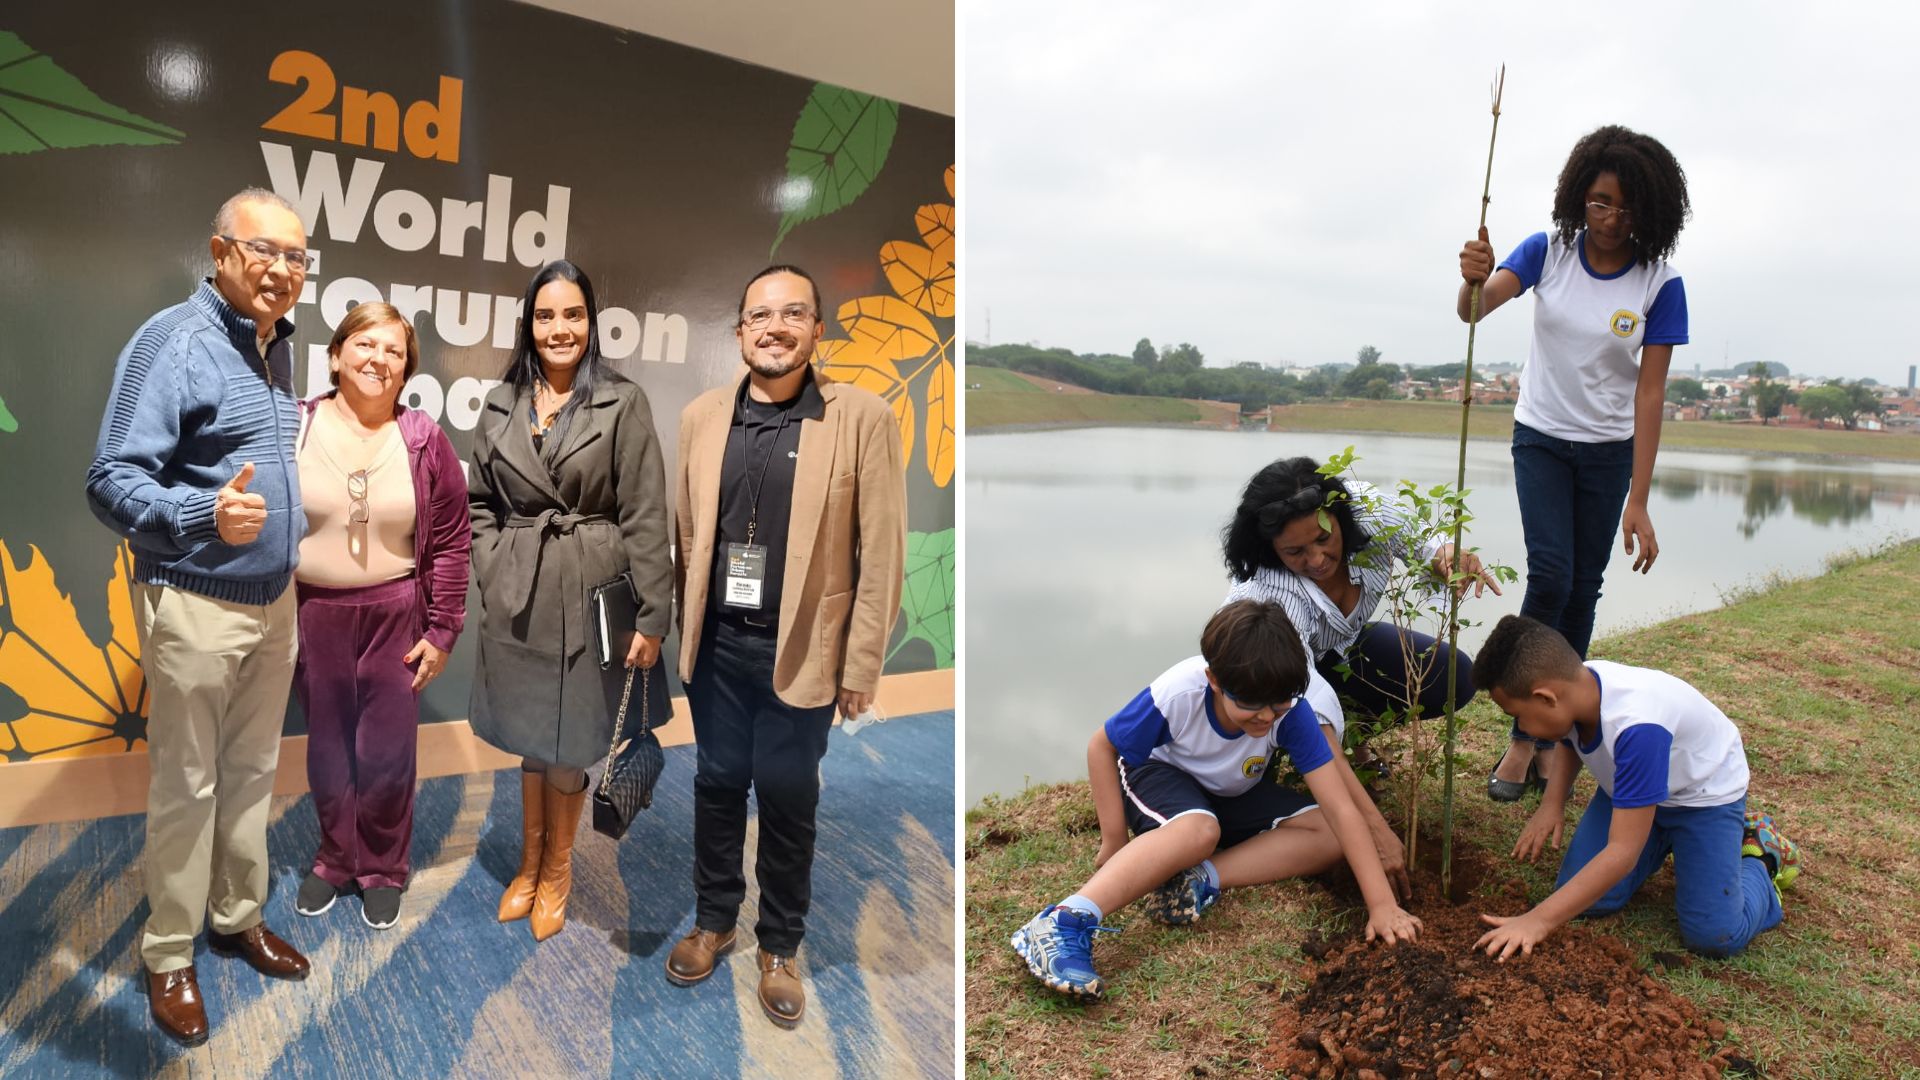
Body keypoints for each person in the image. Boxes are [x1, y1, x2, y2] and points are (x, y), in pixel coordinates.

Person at [84, 188, 314, 1045]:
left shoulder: (274, 349)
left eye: (297, 258)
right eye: (265, 252)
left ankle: (236, 914)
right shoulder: (174, 341)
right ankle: (169, 951)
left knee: (254, 773)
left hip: (272, 601)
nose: (282, 272)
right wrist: (198, 516)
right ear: (218, 252)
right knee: (189, 783)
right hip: (195, 604)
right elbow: (109, 478)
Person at [668, 264, 906, 1029]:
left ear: (816, 328)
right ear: (739, 330)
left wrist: (861, 664)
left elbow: (884, 552)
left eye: (792, 313)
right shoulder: (703, 416)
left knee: (788, 794)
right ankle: (714, 920)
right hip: (717, 648)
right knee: (715, 782)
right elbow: (685, 535)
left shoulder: (860, 417)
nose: (775, 327)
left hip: (804, 648)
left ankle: (780, 944)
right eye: (759, 315)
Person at [1011, 599, 1423, 1002]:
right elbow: (1102, 746)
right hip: (1158, 776)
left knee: (1330, 833)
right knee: (1199, 830)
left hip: (1232, 790)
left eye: (1277, 704)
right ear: (1214, 680)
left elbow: (1340, 808)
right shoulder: (1179, 693)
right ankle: (1064, 921)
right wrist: (1114, 841)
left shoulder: (1291, 711)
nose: (1265, 717)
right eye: (1248, 703)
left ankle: (1198, 880)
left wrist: (1382, 906)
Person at [1455, 125, 1691, 801]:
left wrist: (1638, 497)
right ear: (1577, 198)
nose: (1612, 219)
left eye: (1626, 207)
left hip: (1608, 452)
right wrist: (1470, 278)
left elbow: (1650, 394)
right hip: (1543, 439)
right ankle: (1521, 733)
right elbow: (1475, 310)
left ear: (1652, 212)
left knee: (1584, 586)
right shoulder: (1548, 252)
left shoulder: (1659, 282)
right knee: (1552, 573)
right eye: (1599, 202)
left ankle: (1553, 731)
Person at [467, 260, 673, 942]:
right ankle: (527, 865)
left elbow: (646, 514)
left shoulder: (623, 401)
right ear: (529, 323)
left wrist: (653, 615)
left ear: (592, 323)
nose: (560, 328)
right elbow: (479, 504)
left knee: (568, 742)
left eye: (573, 315)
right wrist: (493, 566)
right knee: (530, 737)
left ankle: (558, 871)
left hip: (591, 595)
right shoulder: (501, 403)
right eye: (546, 315)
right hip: (518, 588)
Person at [1470, 614, 1796, 962]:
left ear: (1547, 698)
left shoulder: (1638, 727)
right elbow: (1569, 737)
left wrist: (1535, 922)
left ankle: (1761, 856)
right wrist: (1552, 803)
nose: (1520, 726)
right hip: (1632, 791)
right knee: (1586, 899)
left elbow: (1622, 853)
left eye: (1516, 714)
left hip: (1702, 800)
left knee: (1714, 935)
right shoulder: (1578, 684)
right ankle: (1662, 842)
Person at [290, 303, 470, 930]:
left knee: (388, 753)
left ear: (406, 369)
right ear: (336, 355)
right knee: (329, 751)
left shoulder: (423, 438)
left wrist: (443, 629)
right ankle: (336, 859)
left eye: (394, 351)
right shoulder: (297, 426)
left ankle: (384, 868)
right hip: (315, 614)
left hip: (397, 615)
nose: (379, 359)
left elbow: (451, 541)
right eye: (365, 344)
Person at [1222, 456, 1500, 745]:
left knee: (1455, 674)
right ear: (1271, 549)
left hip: (1340, 650)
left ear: (1341, 516)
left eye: (1323, 538)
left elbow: (1425, 541)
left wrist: (1446, 555)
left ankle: (1353, 738)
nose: (1317, 560)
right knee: (1280, 733)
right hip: (1275, 680)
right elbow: (1300, 695)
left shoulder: (1368, 512)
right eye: (1295, 552)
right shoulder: (1268, 595)